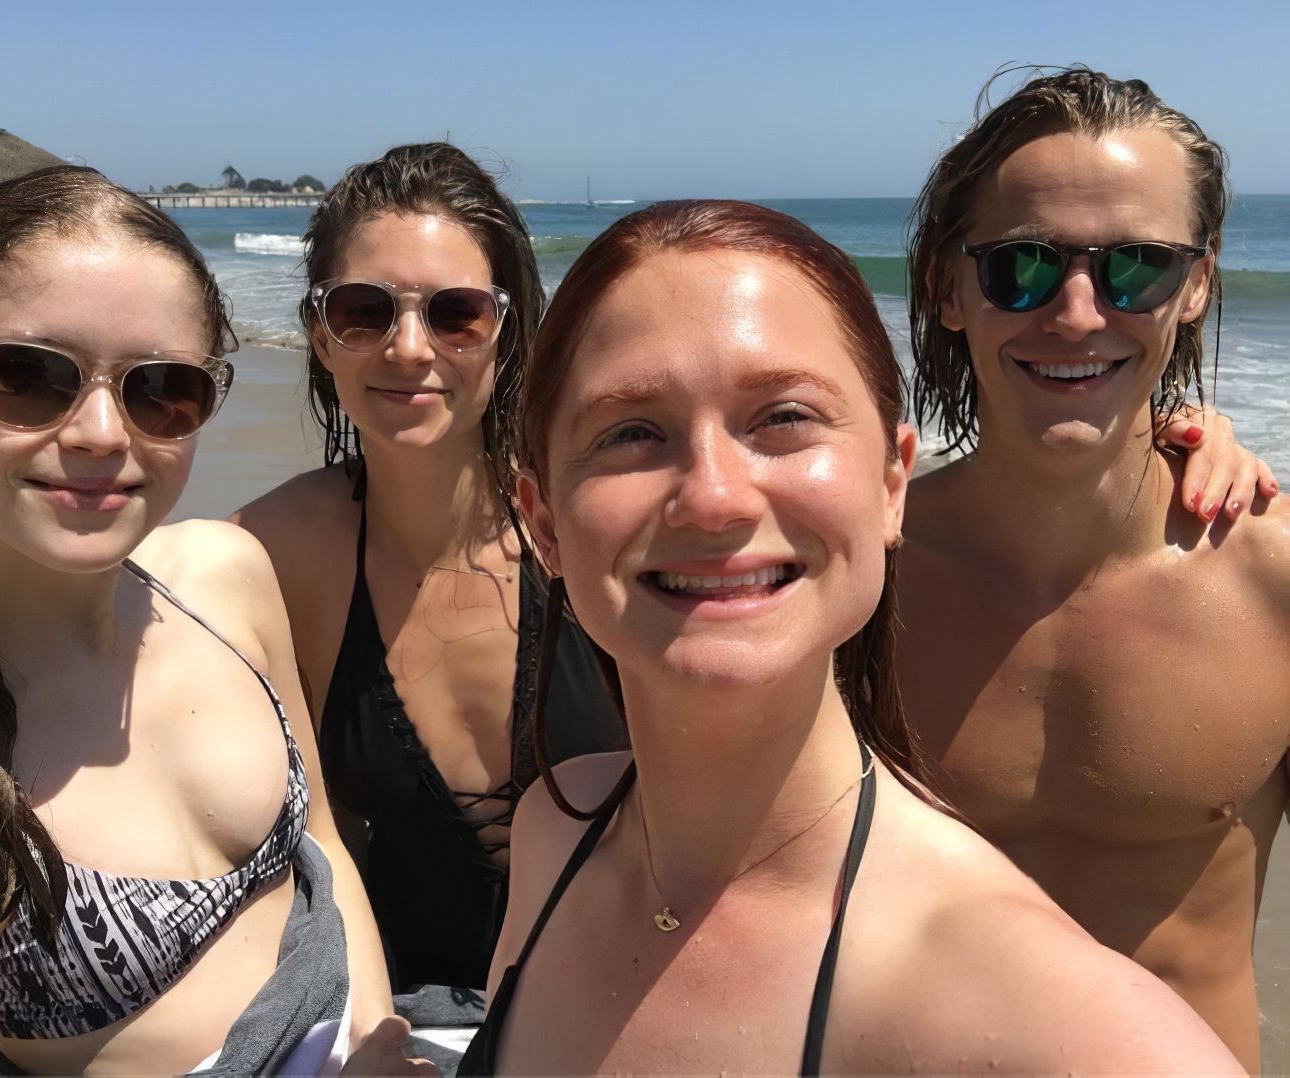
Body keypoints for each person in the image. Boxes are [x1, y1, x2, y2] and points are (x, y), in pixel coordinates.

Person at [458, 198, 1242, 1075]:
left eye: (784, 418)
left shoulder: (1054, 1025)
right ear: (544, 523)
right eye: (633, 432)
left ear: (891, 484)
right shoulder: (556, 831)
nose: (713, 497)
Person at [0, 166, 424, 1075]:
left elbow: (320, 845)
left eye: (160, 388)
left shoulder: (225, 580)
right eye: (30, 376)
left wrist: (377, 1039)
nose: (103, 433)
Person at [899, 68, 1288, 1071]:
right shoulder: (857, 578)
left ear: (1196, 285)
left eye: (1137, 267)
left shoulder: (1276, 581)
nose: (1076, 313)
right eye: (1020, 266)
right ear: (947, 287)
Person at [232, 144, 624, 1038]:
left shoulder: (595, 530)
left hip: (615, 1016)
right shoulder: (268, 555)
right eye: (364, 311)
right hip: (382, 1032)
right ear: (320, 332)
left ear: (507, 332)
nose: (409, 348)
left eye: (456, 314)